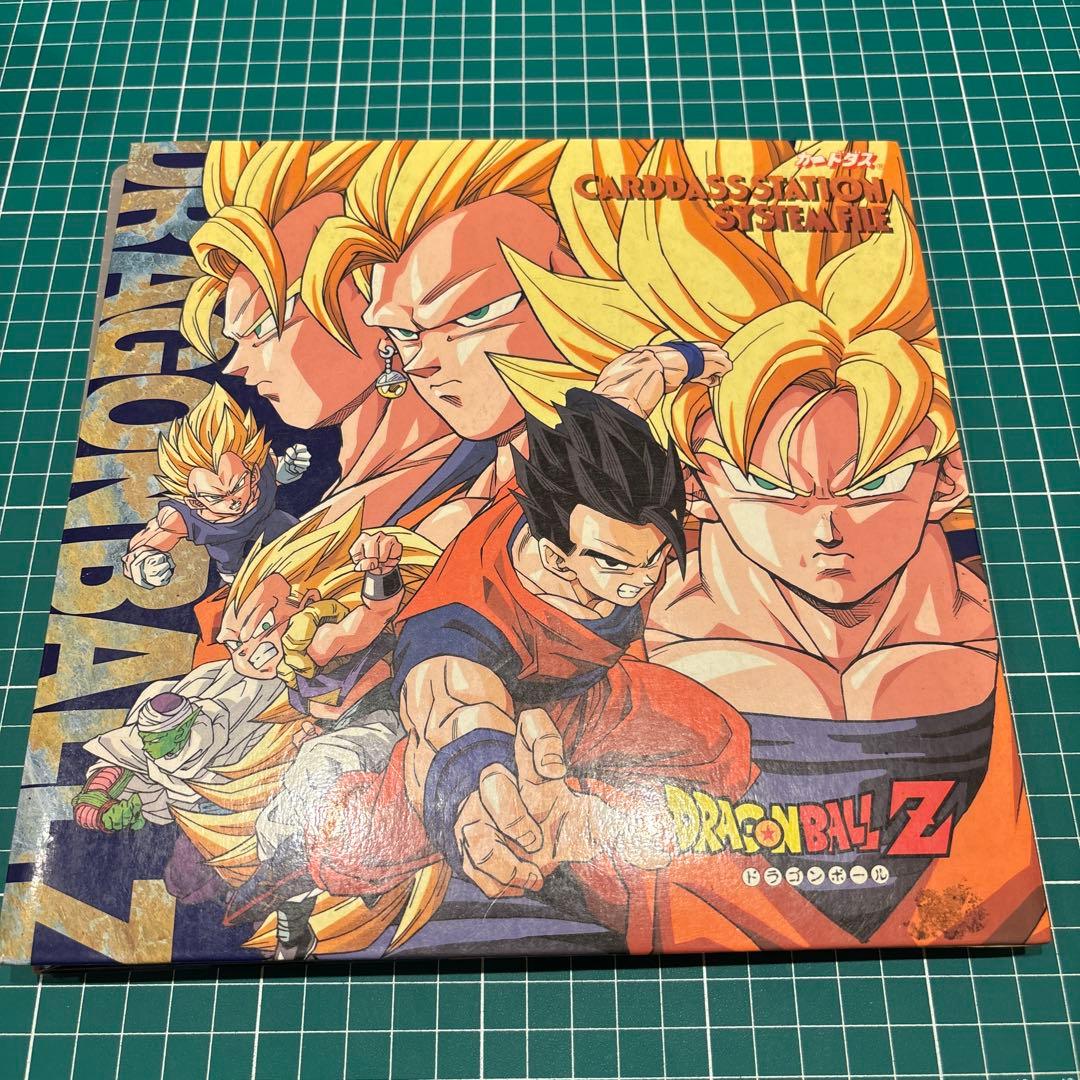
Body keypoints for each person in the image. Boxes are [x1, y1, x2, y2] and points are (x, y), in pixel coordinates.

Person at [475, 138, 1046, 948]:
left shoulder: (1024, 640)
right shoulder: (609, 644)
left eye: (873, 483)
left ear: (948, 476)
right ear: (698, 484)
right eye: (772, 488)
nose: (827, 528)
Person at [300, 390, 754, 955]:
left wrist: (685, 360)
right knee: (351, 855)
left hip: (587, 695)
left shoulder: (597, 486)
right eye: (614, 563)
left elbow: (624, 390)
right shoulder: (461, 621)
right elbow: (454, 701)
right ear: (557, 556)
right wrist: (478, 793)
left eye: (656, 557)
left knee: (720, 740)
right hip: (491, 721)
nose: (642, 580)